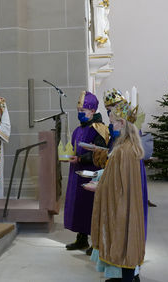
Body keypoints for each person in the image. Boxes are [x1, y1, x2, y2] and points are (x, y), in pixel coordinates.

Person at [91, 101, 145, 282]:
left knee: (122, 241)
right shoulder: (131, 147)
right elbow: (117, 176)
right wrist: (103, 176)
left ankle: (128, 279)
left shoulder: (123, 151)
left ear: (122, 124)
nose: (111, 125)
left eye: (113, 122)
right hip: (127, 204)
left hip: (120, 205)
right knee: (125, 241)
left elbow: (117, 184)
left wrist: (99, 186)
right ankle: (126, 277)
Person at [64, 91, 109, 255]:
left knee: (91, 207)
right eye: (79, 111)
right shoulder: (78, 129)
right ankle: (81, 239)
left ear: (92, 111)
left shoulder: (100, 129)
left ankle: (95, 242)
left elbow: (101, 153)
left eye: (83, 111)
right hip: (77, 172)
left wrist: (81, 158)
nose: (80, 114)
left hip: (92, 172)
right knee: (79, 207)